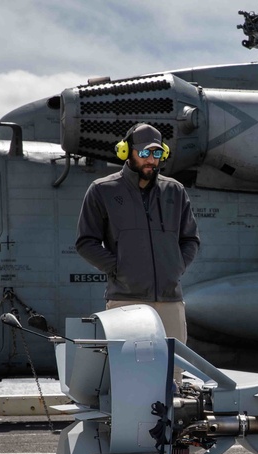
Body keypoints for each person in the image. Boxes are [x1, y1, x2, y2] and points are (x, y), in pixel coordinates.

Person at [75, 123, 200, 382]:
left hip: (170, 301)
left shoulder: (174, 191)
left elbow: (190, 239)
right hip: (125, 300)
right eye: (144, 153)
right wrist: (120, 268)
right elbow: (86, 242)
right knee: (129, 376)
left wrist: (174, 268)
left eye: (156, 154)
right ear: (127, 152)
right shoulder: (103, 190)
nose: (151, 160)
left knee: (173, 377)